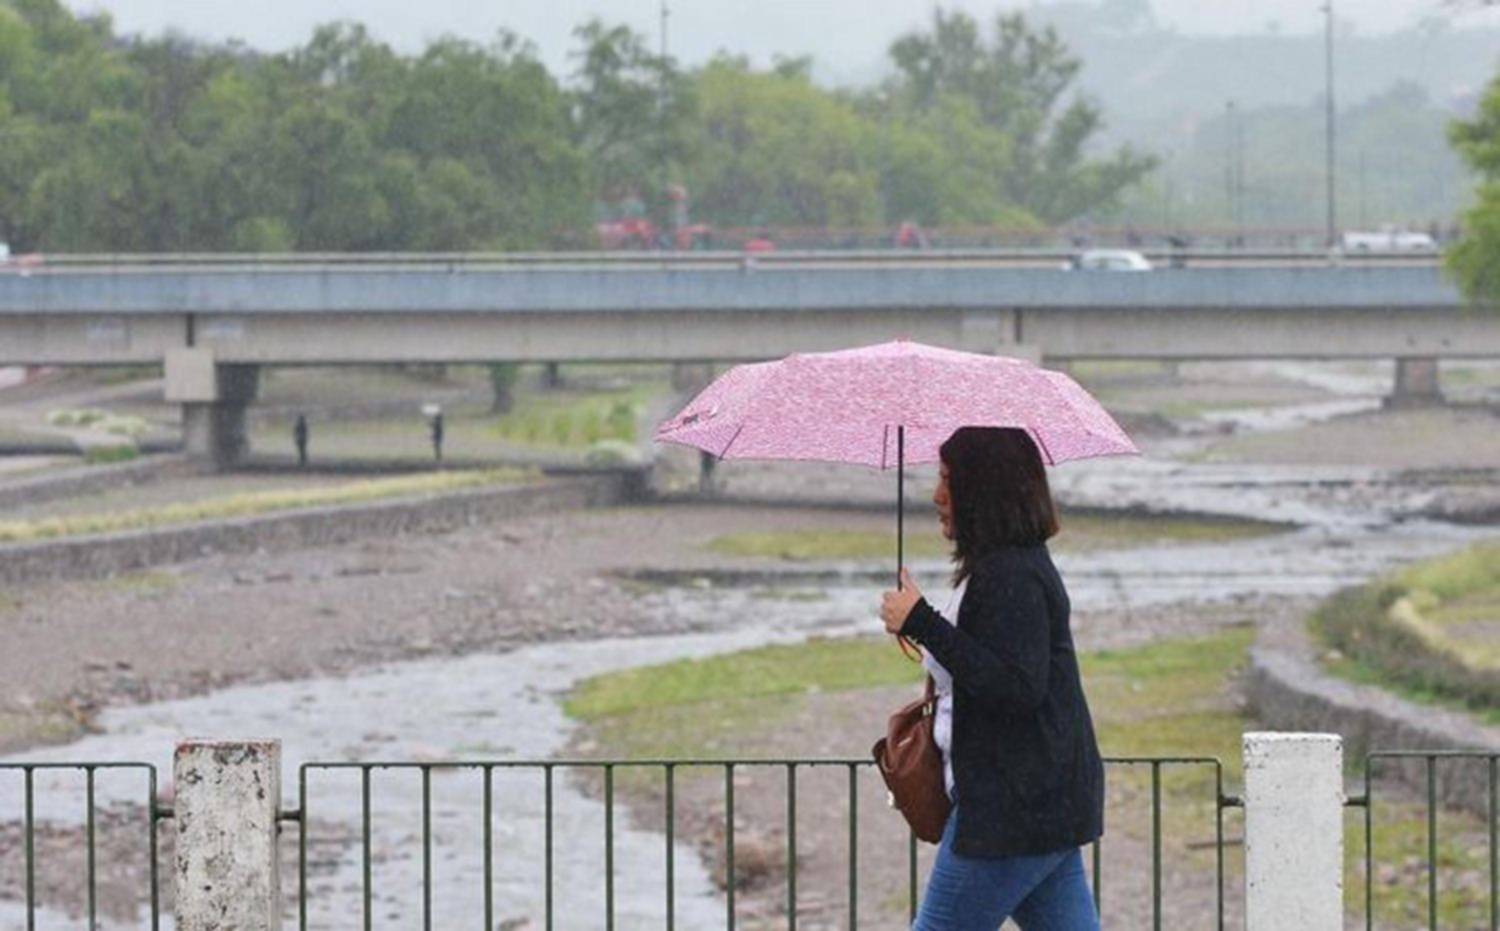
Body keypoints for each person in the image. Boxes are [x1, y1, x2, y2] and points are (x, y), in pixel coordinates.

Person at [879, 426, 1103, 930]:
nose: (937, 497)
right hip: (1040, 802)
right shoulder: (1006, 569)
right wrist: (921, 623)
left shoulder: (1012, 576)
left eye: (947, 481)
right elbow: (986, 665)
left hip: (1011, 809)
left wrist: (922, 622)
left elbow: (1016, 687)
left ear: (982, 491)